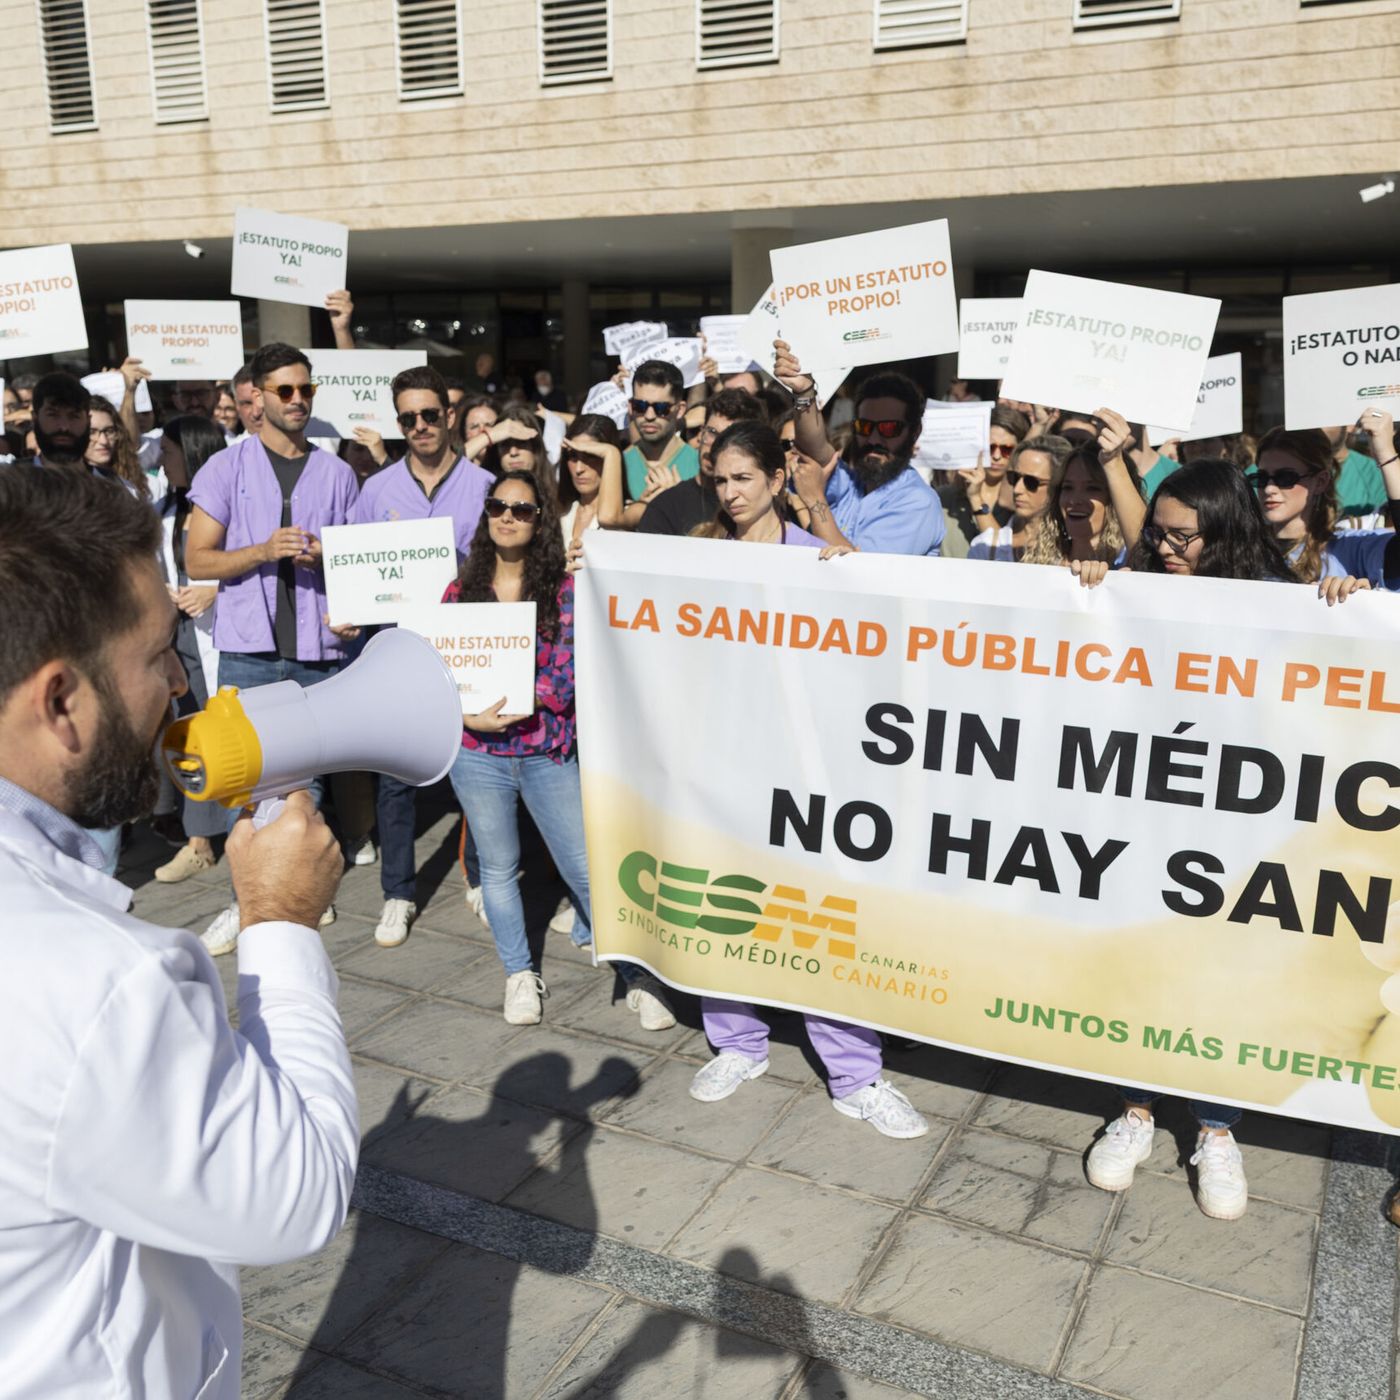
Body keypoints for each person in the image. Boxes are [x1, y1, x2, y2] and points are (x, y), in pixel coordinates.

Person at [0, 466, 355, 1398]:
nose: (179, 687)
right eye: (161, 654)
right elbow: (300, 1193)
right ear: (61, 701)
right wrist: (279, 922)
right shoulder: (94, 984)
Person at [1082, 457, 1368, 1220]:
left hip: (1241, 828)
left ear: (1227, 533)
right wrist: (1088, 582)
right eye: (1160, 536)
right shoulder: (1132, 582)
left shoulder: (1281, 599)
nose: (1166, 548)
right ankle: (1137, 1111)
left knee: (1227, 974)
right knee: (1140, 960)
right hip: (1144, 813)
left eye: (1184, 538)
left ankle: (1215, 1127)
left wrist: (1346, 607)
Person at [685, 434, 923, 1138]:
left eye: (745, 477)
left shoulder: (820, 557)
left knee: (824, 918)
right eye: (721, 479)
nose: (731, 493)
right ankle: (736, 1043)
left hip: (812, 772)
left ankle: (855, 1074)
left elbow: (876, 645)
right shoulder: (696, 558)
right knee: (724, 904)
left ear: (777, 475)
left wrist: (848, 576)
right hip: (723, 763)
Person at [442, 469, 675, 1030]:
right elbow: (439, 670)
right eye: (499, 505)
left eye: (522, 509)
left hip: (546, 750)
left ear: (541, 520)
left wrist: (529, 697)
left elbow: (570, 674)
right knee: (497, 870)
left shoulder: (565, 588)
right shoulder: (458, 589)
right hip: (477, 751)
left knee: (587, 869)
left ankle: (636, 975)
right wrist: (464, 712)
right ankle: (519, 974)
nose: (508, 516)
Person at [185, 344, 361, 956]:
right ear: (256, 396)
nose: (298, 401)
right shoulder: (226, 469)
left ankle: (295, 902)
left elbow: (363, 567)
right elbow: (197, 558)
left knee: (304, 787)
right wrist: (262, 550)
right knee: (248, 780)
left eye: (305, 390)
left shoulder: (338, 473)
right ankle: (246, 901)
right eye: (284, 390)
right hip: (251, 653)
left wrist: (332, 564)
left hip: (314, 653)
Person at [352, 365, 494, 949]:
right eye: (407, 418)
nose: (419, 426)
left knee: (477, 775)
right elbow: (356, 570)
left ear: (449, 416)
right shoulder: (377, 490)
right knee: (394, 778)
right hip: (400, 651)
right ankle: (398, 893)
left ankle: (485, 877)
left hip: (468, 648)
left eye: (429, 415)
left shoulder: (484, 485)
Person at [773, 340, 944, 555]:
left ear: (914, 432)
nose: (874, 439)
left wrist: (816, 500)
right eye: (864, 426)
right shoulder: (853, 483)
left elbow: (859, 574)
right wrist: (804, 392)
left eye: (889, 429)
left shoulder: (917, 501)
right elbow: (813, 449)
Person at [152, 415, 230, 883]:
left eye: (168, 452)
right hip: (178, 636)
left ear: (193, 452)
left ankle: (212, 836)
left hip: (221, 632)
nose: (161, 462)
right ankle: (198, 840)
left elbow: (256, 561)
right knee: (187, 732)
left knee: (213, 732)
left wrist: (214, 590)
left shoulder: (229, 504)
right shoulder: (164, 507)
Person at [1252, 422, 1400, 588]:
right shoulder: (1241, 548)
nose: (1269, 488)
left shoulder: (1352, 548)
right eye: (1262, 477)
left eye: (1285, 477)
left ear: (1320, 481)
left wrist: (1387, 455)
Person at [604, 388, 765, 535]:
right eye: (712, 432)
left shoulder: (758, 508)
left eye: (726, 438)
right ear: (701, 433)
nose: (714, 446)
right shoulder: (665, 507)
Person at [1020, 411, 1146, 568]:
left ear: (1115, 499)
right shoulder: (1037, 563)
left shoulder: (1126, 564)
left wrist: (1113, 461)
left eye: (1092, 488)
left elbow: (1144, 550)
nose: (1075, 499)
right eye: (1067, 487)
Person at [696, 420, 834, 549]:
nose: (729, 495)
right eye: (720, 481)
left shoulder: (810, 552)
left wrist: (840, 564)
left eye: (742, 478)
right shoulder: (702, 547)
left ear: (776, 481)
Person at [969, 435, 1073, 561]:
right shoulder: (985, 546)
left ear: (1058, 485)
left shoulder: (1075, 547)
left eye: (1031, 482)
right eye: (1015, 477)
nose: (1017, 489)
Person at [939, 405, 1028, 551]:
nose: (997, 456)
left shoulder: (1021, 499)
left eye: (1007, 450)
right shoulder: (944, 497)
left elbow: (1001, 552)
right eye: (990, 448)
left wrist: (975, 498)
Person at [623, 359, 700, 501]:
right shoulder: (618, 465)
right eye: (640, 406)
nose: (649, 416)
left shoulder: (700, 466)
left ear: (680, 410)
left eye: (661, 408)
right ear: (630, 407)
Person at [84, 395, 150, 499]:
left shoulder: (129, 485)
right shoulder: (70, 486)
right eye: (92, 432)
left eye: (109, 431)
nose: (103, 441)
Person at [29, 372, 92, 472]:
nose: (64, 427)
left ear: (88, 420)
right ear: (35, 418)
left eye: (74, 416)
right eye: (53, 415)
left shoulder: (115, 485)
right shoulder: (9, 484)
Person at [1324, 422, 1386, 523]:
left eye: (1326, 419)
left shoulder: (1378, 474)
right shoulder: (1293, 468)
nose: (1314, 426)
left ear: (1350, 425)